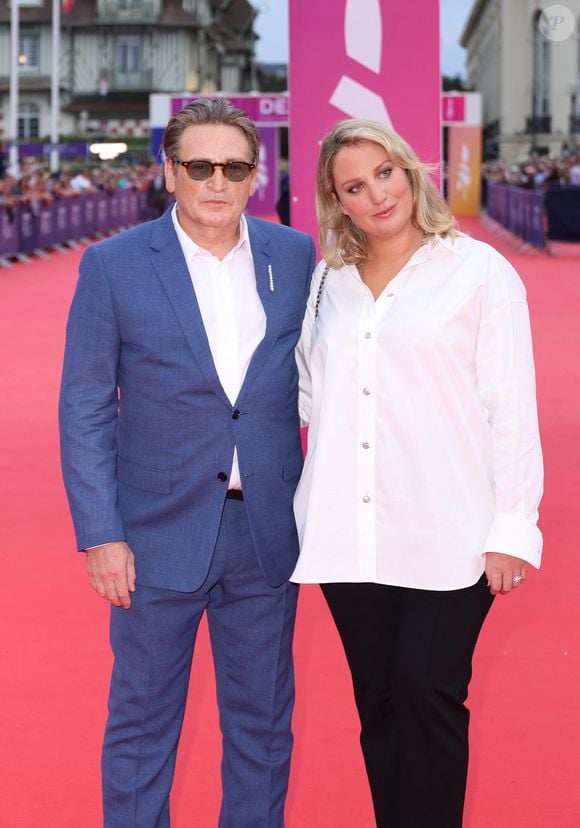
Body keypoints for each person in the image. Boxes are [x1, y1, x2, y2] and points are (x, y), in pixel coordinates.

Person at [59, 97, 316, 828]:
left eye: (234, 167)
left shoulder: (293, 255)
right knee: (141, 728)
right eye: (199, 165)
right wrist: (101, 533)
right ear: (170, 170)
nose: (217, 181)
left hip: (265, 535)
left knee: (264, 731)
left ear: (254, 175)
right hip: (152, 536)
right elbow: (84, 405)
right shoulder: (112, 265)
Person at [292, 119, 543, 828]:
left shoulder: (479, 271)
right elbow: (310, 395)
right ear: (336, 201)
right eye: (354, 186)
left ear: (411, 171)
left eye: (385, 173)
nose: (376, 194)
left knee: (429, 694)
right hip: (351, 533)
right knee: (378, 703)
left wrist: (513, 528)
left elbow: (511, 406)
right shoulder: (328, 282)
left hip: (451, 531)